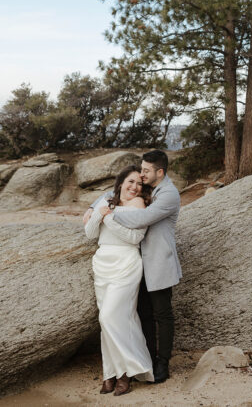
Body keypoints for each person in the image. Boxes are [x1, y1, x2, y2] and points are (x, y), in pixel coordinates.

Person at [84, 149, 181, 384]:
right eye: (141, 169)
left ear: (160, 171)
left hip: (158, 260)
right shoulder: (146, 187)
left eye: (146, 170)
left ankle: (163, 364)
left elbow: (140, 219)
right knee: (143, 314)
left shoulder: (168, 194)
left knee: (162, 314)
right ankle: (144, 361)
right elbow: (116, 190)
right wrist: (93, 206)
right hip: (135, 263)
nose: (142, 174)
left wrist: (107, 213)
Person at [84, 166, 154, 396]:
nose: (134, 187)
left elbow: (136, 237)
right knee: (109, 322)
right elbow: (91, 234)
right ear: (121, 182)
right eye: (130, 182)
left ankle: (128, 372)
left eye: (139, 184)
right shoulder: (106, 201)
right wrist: (99, 214)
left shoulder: (140, 206)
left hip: (127, 263)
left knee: (110, 316)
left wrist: (110, 219)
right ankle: (109, 374)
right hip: (102, 263)